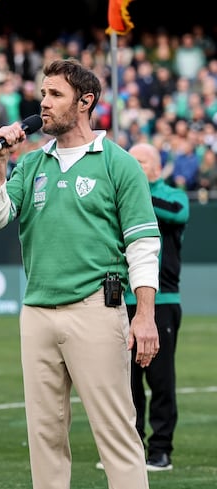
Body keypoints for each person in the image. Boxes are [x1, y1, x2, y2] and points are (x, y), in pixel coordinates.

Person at [0, 58, 161, 489]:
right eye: (43, 93)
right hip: (36, 311)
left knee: (115, 433)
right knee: (44, 436)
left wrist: (144, 314)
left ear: (85, 101)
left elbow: (143, 244)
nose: (44, 103)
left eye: (55, 94)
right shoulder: (31, 165)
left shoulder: (119, 163)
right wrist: (0, 162)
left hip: (96, 308)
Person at [127, 142, 189, 471]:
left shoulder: (172, 196)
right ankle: (130, 447)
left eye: (139, 162)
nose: (133, 166)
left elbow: (178, 212)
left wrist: (135, 191)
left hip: (162, 300)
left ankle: (161, 449)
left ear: (155, 167)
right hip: (124, 300)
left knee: (161, 378)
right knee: (127, 380)